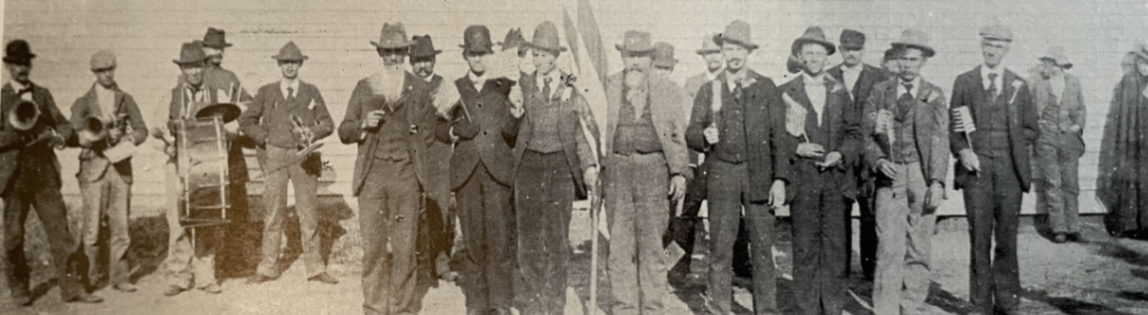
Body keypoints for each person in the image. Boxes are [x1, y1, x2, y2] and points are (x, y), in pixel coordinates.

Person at [686, 20, 794, 315]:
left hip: (759, 176)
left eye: (739, 49)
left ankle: (767, 310)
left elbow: (779, 139)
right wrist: (703, 137)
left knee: (762, 249)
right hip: (722, 173)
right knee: (721, 248)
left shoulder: (766, 87)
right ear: (721, 50)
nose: (734, 55)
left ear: (748, 52)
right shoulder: (710, 89)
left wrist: (780, 179)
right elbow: (691, 131)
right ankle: (719, 308)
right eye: (729, 48)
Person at [339, 23, 437, 315]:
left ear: (406, 54)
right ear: (380, 53)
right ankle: (374, 308)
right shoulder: (364, 86)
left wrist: (415, 134)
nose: (393, 58)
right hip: (373, 177)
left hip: (406, 176)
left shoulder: (418, 88)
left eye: (399, 52)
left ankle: (404, 309)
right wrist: (362, 125)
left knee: (405, 249)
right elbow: (344, 131)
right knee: (374, 248)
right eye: (388, 52)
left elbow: (430, 133)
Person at [1, 39, 103, 306]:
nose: (22, 68)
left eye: (26, 63)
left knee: (61, 233)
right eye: (16, 64)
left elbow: (65, 125)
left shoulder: (43, 95)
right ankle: (20, 289)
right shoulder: (1, 98)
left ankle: (72, 288)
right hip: (14, 177)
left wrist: (56, 136)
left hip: (43, 174)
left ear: (30, 64)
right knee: (13, 237)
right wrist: (15, 133)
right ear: (8, 67)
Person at [512, 21, 598, 315]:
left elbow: (580, 132)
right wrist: (513, 110)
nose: (539, 59)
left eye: (545, 54)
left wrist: (588, 167)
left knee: (557, 239)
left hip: (560, 167)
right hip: (529, 168)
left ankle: (555, 303)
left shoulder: (570, 87)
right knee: (529, 240)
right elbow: (510, 124)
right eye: (536, 53)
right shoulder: (521, 84)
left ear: (555, 56)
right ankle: (533, 304)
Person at [436, 24, 523, 315]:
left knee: (499, 240)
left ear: (490, 53)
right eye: (473, 54)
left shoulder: (504, 87)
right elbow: (439, 127)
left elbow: (512, 133)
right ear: (465, 55)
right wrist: (456, 130)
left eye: (482, 53)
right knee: (472, 241)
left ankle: (499, 303)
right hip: (467, 175)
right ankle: (476, 303)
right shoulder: (454, 88)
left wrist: (515, 114)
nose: (478, 59)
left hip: (497, 173)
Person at [950, 24, 1037, 315]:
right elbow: (953, 129)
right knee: (979, 238)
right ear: (981, 46)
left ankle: (1008, 301)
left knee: (1007, 238)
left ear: (1006, 49)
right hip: (976, 172)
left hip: (1009, 173)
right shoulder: (964, 81)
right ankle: (980, 304)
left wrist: (1009, 141)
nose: (991, 50)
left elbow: (1031, 129)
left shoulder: (1018, 85)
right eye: (987, 44)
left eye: (998, 46)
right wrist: (963, 151)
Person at [601, 30, 688, 315]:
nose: (635, 63)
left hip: (654, 171)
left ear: (650, 58)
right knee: (620, 246)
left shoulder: (668, 90)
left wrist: (679, 173)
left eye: (641, 56)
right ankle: (623, 307)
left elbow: (676, 136)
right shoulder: (609, 86)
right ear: (623, 57)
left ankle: (651, 307)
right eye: (630, 56)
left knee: (652, 246)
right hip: (618, 171)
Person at [864, 29, 949, 315]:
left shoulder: (933, 94)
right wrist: (877, 161)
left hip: (921, 175)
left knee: (919, 244)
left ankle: (912, 304)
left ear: (923, 61)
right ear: (895, 61)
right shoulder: (880, 91)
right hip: (890, 174)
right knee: (888, 244)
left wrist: (937, 181)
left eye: (914, 59)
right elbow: (864, 135)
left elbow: (940, 140)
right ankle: (885, 308)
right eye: (903, 59)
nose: (908, 65)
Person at [240, 41, 338, 285]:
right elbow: (246, 120)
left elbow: (327, 122)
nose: (289, 67)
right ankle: (268, 267)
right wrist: (265, 139)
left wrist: (311, 133)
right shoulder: (266, 92)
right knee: (273, 212)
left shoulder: (311, 91)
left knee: (308, 212)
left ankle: (315, 267)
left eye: (294, 62)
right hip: (275, 157)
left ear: (300, 64)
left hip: (305, 158)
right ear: (279, 64)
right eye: (285, 62)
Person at [779, 26, 860, 315]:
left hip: (836, 182)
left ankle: (833, 307)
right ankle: (807, 307)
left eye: (819, 53)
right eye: (808, 53)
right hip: (803, 181)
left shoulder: (840, 92)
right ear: (799, 57)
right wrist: (796, 149)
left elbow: (855, 133)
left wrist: (840, 153)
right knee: (804, 248)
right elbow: (775, 138)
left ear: (827, 57)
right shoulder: (785, 93)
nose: (814, 58)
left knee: (836, 249)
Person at [69, 49, 148, 293]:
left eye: (110, 69)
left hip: (120, 168)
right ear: (94, 73)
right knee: (91, 230)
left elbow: (142, 129)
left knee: (121, 227)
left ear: (115, 69)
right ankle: (90, 278)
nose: (106, 74)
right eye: (101, 71)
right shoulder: (82, 102)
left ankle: (120, 277)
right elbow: (74, 132)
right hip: (94, 168)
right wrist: (101, 136)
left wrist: (127, 139)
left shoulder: (126, 98)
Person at [161, 40, 234, 297]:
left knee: (206, 218)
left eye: (197, 66)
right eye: (187, 67)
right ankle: (179, 276)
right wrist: (167, 142)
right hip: (179, 165)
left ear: (204, 66)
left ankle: (206, 276)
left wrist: (222, 132)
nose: (193, 72)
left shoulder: (217, 94)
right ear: (182, 69)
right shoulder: (171, 95)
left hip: (207, 165)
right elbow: (157, 128)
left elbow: (234, 128)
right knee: (178, 221)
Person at [826, 28, 890, 280]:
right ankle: (839, 268)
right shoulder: (829, 76)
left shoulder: (878, 76)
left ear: (863, 50)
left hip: (868, 156)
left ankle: (870, 269)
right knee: (838, 212)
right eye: (846, 48)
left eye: (856, 49)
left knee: (871, 213)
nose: (851, 53)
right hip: (840, 154)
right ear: (840, 50)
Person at [408, 34, 458, 283]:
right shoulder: (404, 86)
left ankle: (441, 262)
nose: (422, 66)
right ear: (410, 62)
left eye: (426, 60)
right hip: (413, 156)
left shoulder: (446, 86)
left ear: (434, 61)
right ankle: (416, 264)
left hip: (439, 155)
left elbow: (458, 122)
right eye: (417, 61)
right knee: (413, 210)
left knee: (441, 211)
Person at [1029, 46, 1086, 243]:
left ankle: (1073, 227)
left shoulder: (1073, 82)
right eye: (1044, 61)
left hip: (1069, 139)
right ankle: (1058, 228)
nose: (1044, 65)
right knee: (1053, 183)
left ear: (1058, 65)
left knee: (1070, 184)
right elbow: (1028, 108)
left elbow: (1080, 108)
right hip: (1046, 138)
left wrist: (1077, 125)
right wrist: (1037, 125)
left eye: (1048, 62)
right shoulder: (1037, 82)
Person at [1098, 44, 1148, 239]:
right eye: (1141, 62)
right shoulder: (1128, 82)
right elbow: (1122, 116)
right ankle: (1129, 224)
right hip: (1131, 142)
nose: (1143, 66)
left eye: (1147, 62)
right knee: (1129, 181)